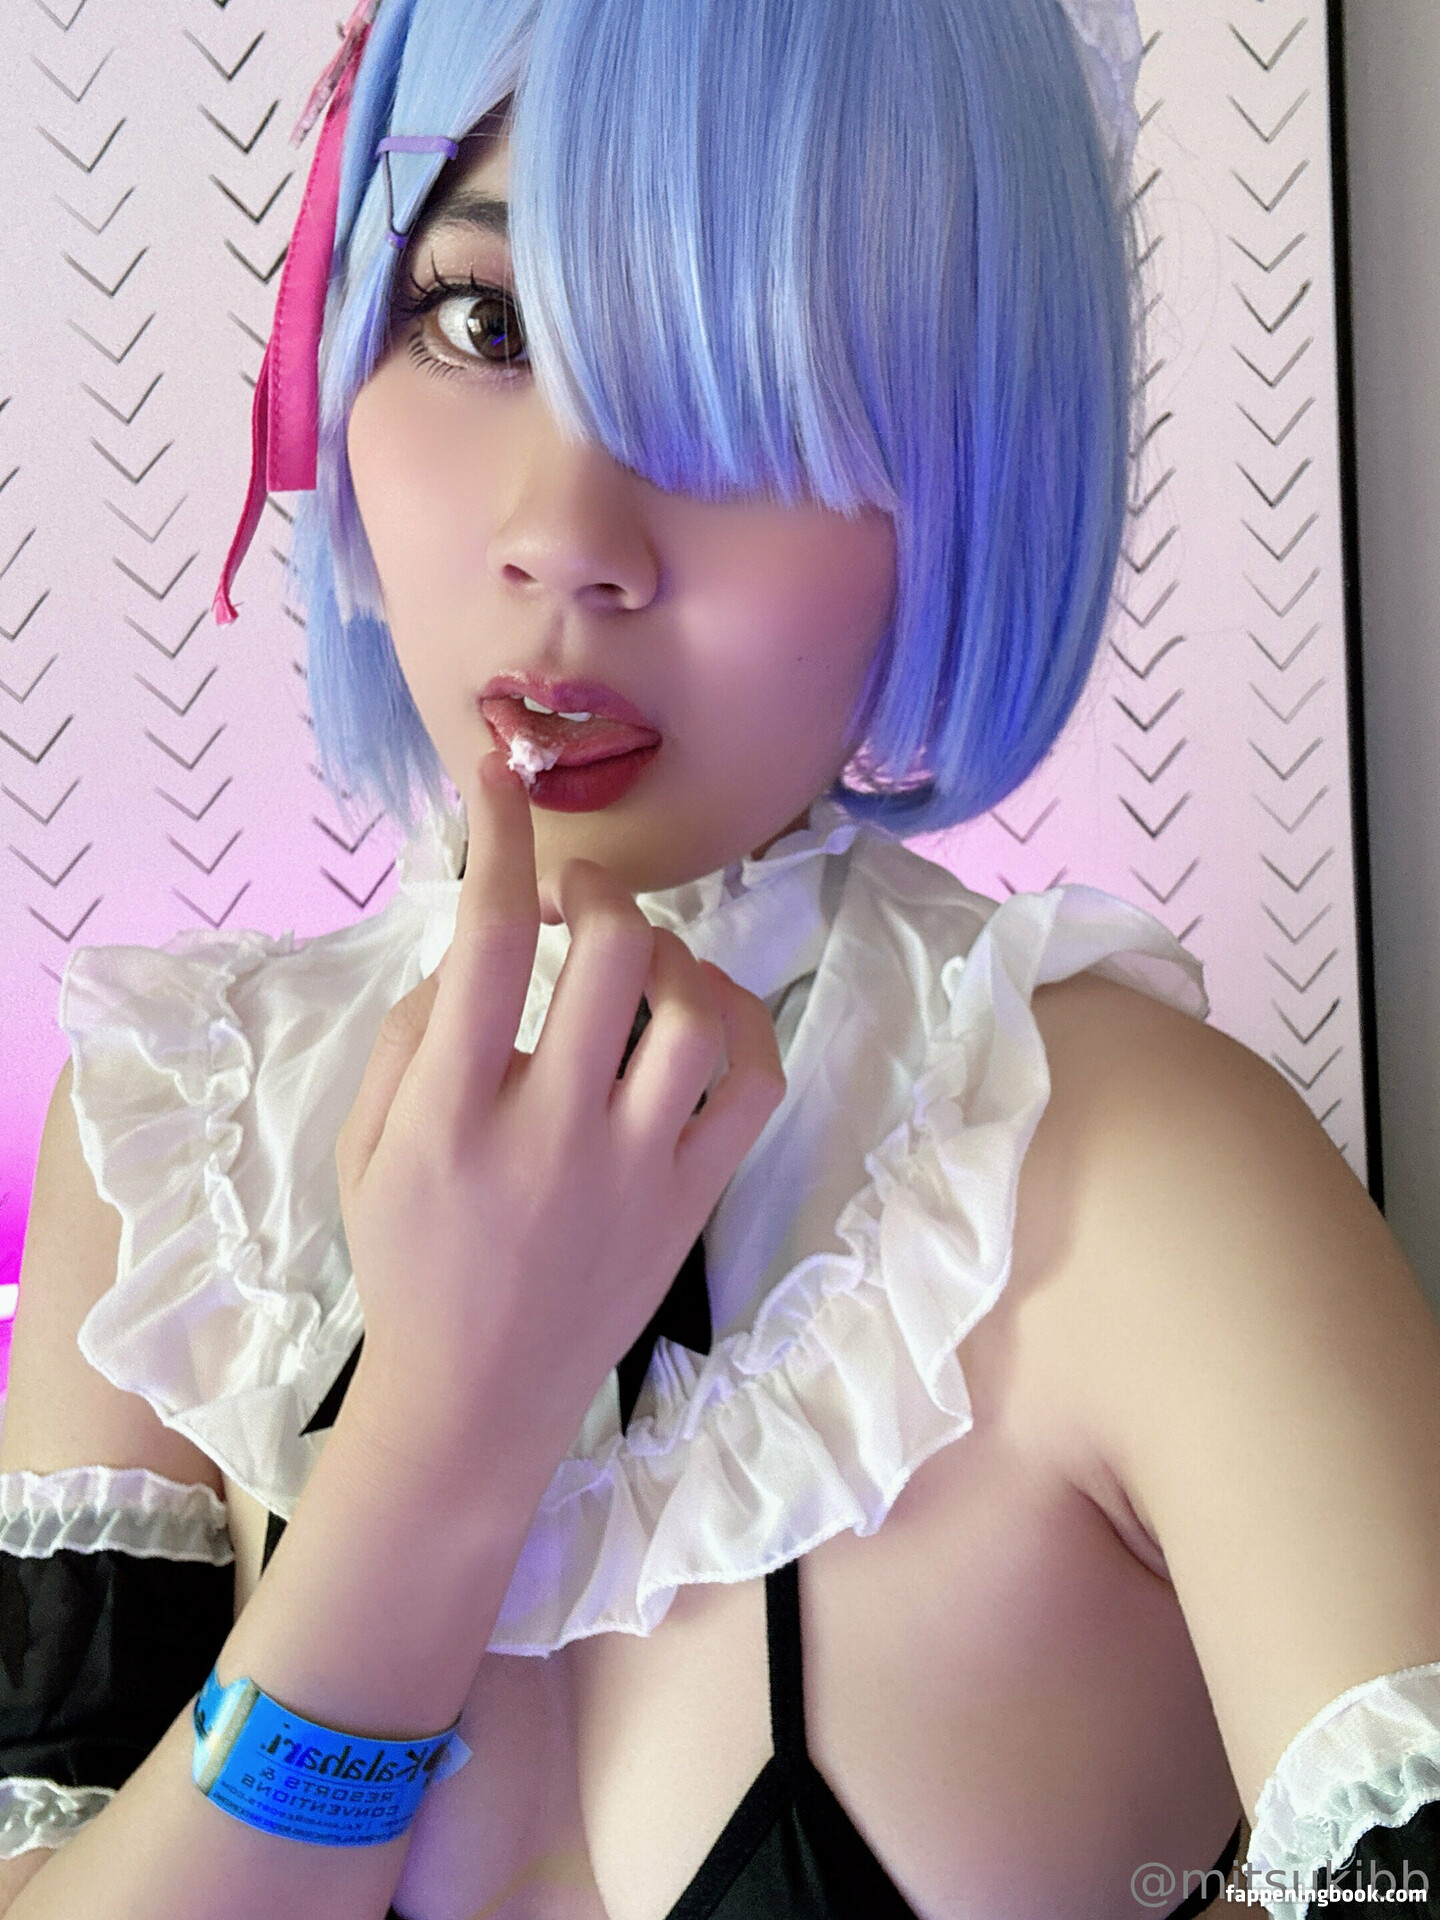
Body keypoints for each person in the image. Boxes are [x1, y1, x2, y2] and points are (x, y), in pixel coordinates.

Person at [1, 0, 1437, 1916]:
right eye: (482, 323)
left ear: (967, 471)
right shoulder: (164, 1144)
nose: (567, 541)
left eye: (741, 391)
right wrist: (441, 1434)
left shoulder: (1142, 1176)